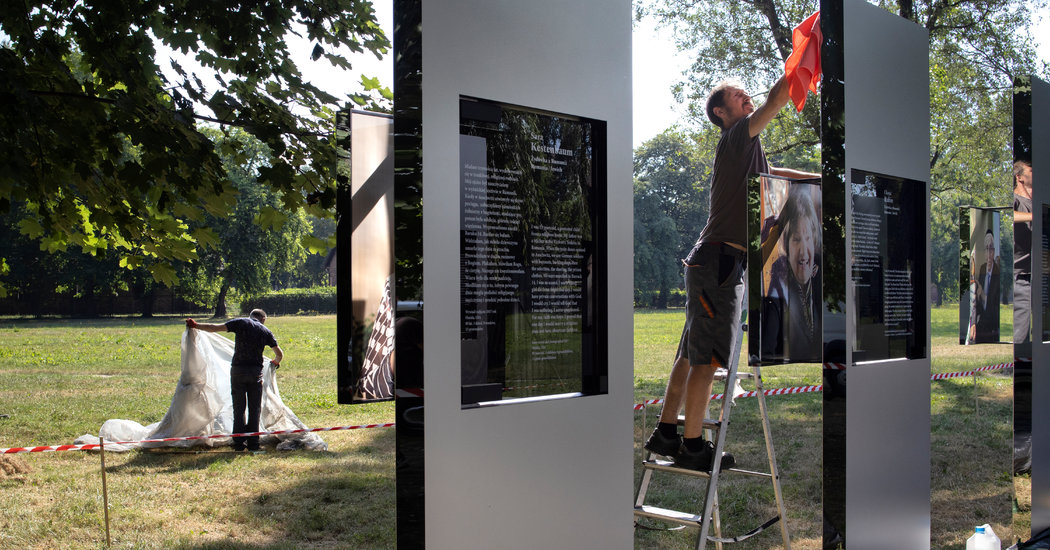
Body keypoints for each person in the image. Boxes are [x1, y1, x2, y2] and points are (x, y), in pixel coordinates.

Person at [644, 73, 819, 471]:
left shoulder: (748, 153)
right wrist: (795, 68)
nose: (746, 95)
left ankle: (667, 433)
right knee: (707, 360)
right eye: (736, 95)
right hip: (719, 262)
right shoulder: (738, 135)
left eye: (745, 92)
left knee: (690, 356)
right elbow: (776, 101)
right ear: (721, 113)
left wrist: (822, 179)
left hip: (714, 262)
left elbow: (779, 180)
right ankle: (692, 447)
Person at [185, 309, 284, 452]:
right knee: (254, 408)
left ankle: (238, 442)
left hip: (238, 371)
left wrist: (196, 325)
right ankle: (253, 443)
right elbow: (279, 354)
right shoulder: (265, 331)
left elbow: (214, 328)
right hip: (255, 373)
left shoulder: (240, 323)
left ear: (251, 316)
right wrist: (275, 362)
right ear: (263, 319)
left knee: (239, 408)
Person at [762, 185, 822, 362]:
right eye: (796, 239)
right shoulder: (780, 281)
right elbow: (769, 348)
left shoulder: (820, 277)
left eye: (808, 238)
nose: (803, 252)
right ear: (786, 245)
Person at [969, 229, 1000, 344]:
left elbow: (994, 305)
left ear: (994, 250)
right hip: (981, 323)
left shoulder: (998, 272)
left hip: (992, 326)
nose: (989, 253)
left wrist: (981, 293)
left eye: (991, 249)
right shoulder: (982, 268)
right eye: (986, 249)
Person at [1014, 159, 1033, 344]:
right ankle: (1013, 366)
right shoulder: (1015, 200)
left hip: (1038, 275)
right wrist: (1034, 216)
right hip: (1020, 276)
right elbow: (1008, 214)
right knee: (1021, 331)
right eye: (1031, 170)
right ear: (1019, 177)